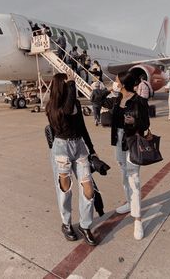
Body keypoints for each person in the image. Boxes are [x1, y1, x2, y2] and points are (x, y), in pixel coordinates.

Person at [45, 71, 97, 246]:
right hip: (62, 149)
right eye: (66, 83)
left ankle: (85, 225)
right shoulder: (52, 107)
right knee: (65, 191)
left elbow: (82, 128)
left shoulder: (74, 103)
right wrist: (72, 84)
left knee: (88, 189)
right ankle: (66, 223)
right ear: (62, 86)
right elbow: (66, 111)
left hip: (79, 147)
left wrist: (92, 150)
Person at [102, 71, 150, 240]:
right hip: (119, 142)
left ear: (122, 83)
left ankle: (137, 218)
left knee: (134, 179)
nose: (114, 82)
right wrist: (108, 90)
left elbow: (145, 124)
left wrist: (133, 121)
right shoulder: (116, 100)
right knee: (124, 175)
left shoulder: (139, 101)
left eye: (115, 80)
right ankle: (129, 203)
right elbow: (97, 99)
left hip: (132, 142)